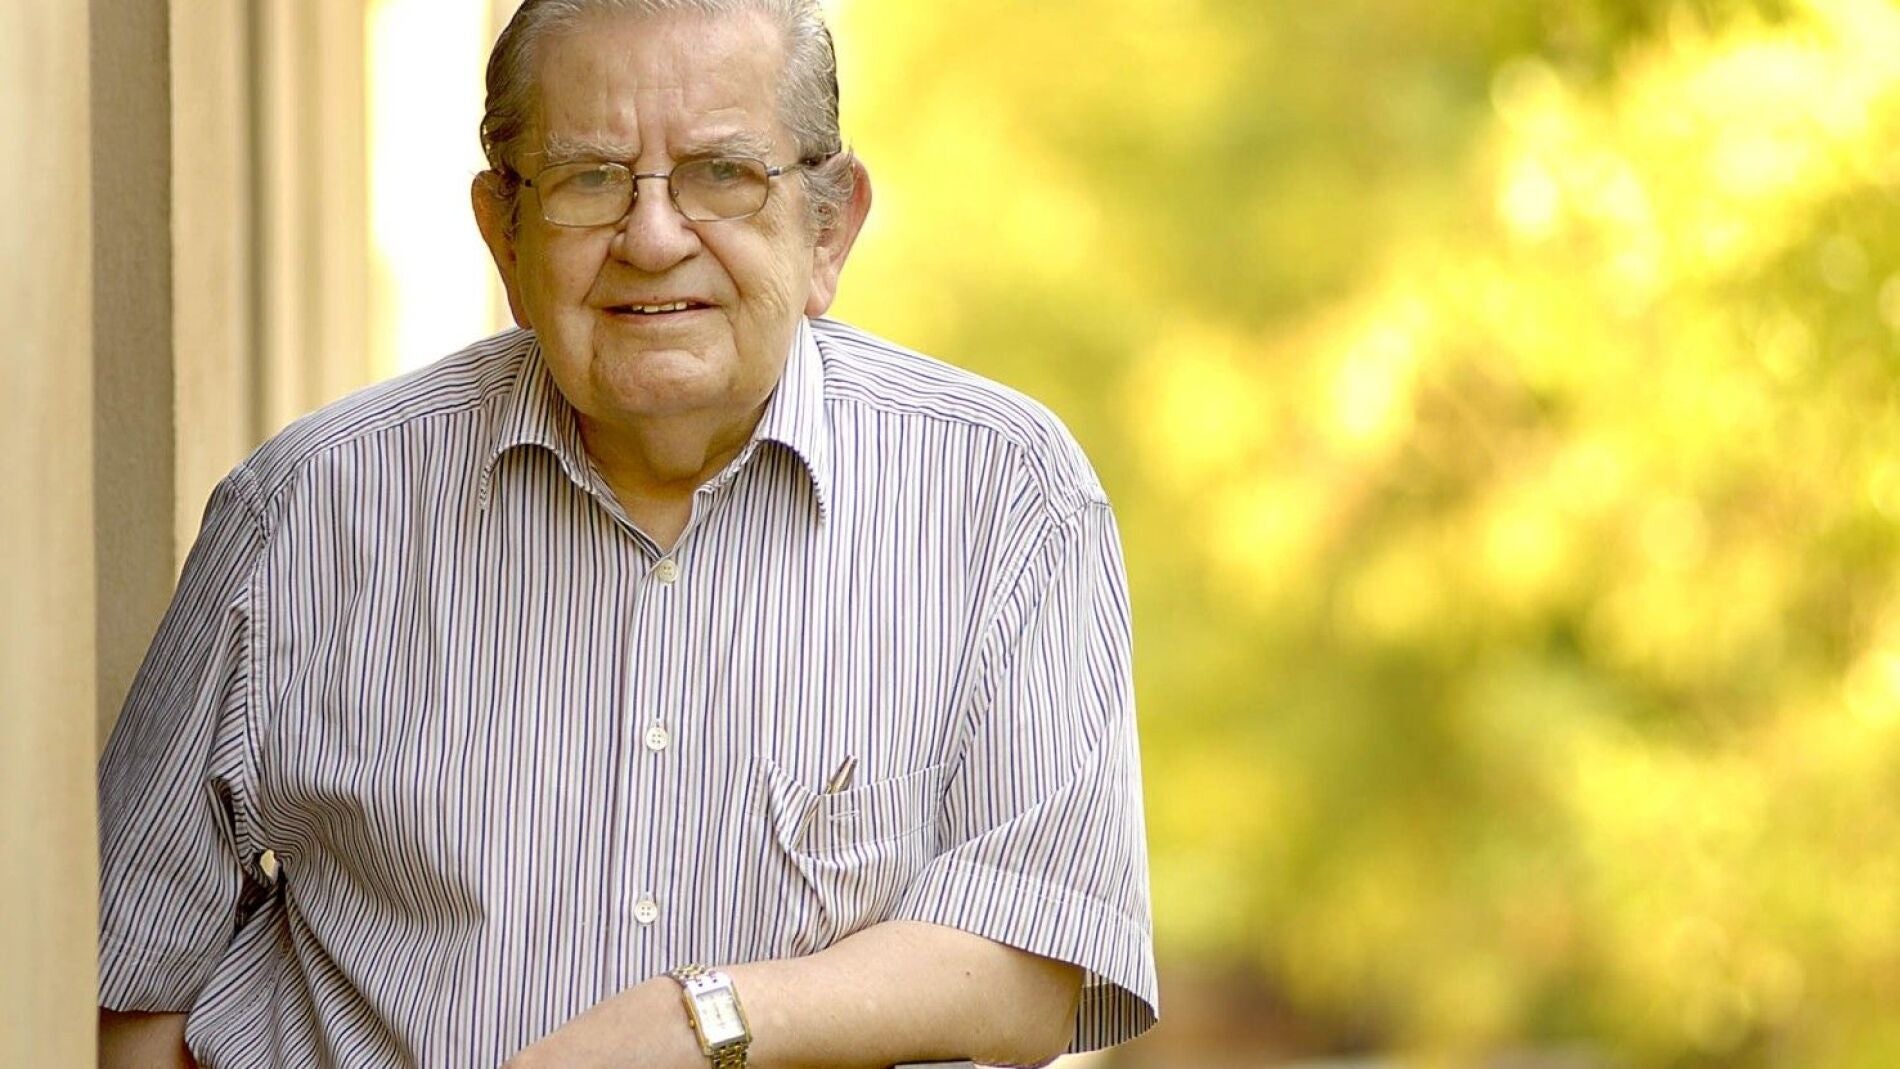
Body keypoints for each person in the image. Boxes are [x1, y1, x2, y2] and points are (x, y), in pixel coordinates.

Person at [97, 1, 1156, 1066]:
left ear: (828, 229)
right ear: (504, 235)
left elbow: (1030, 965)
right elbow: (124, 978)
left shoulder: (1004, 495)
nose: (652, 239)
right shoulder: (303, 512)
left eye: (722, 174)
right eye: (589, 179)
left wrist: (697, 1022)